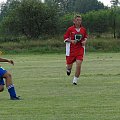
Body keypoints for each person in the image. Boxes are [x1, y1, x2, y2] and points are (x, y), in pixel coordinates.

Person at [64, 14, 88, 85]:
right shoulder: (70, 29)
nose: (79, 21)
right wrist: (71, 41)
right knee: (69, 66)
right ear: (74, 21)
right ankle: (68, 69)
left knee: (79, 64)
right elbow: (65, 38)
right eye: (77, 20)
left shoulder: (83, 30)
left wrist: (85, 41)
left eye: (80, 20)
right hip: (71, 50)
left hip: (80, 49)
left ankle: (75, 80)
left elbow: (85, 37)